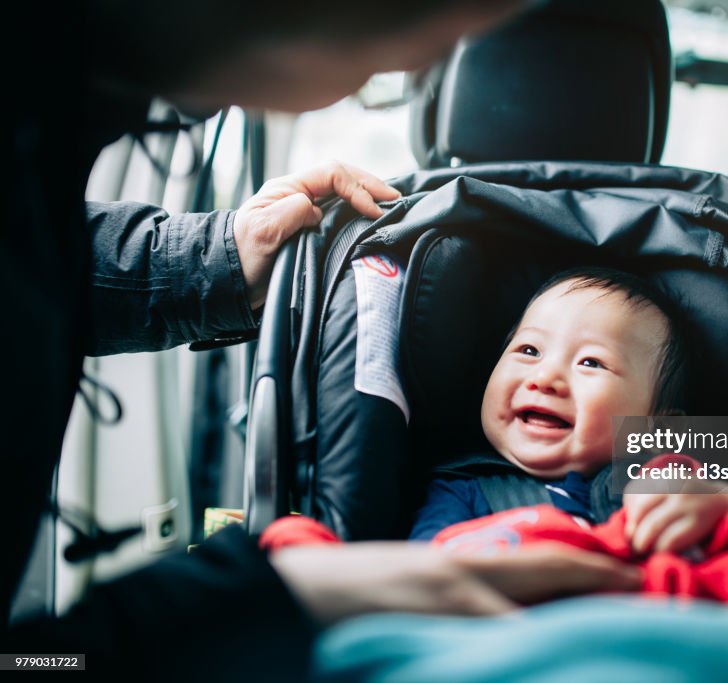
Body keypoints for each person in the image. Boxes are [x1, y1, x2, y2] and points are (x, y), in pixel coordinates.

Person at [3, 2, 643, 680]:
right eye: (526, 349)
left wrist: (710, 487)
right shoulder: (456, 485)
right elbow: (38, 662)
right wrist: (266, 597)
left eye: (594, 361)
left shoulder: (671, 459)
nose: (420, 65)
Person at [408, 267, 728, 554]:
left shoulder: (667, 481)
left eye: (591, 362)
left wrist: (725, 506)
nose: (545, 377)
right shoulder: (461, 493)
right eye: (529, 350)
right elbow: (427, 581)